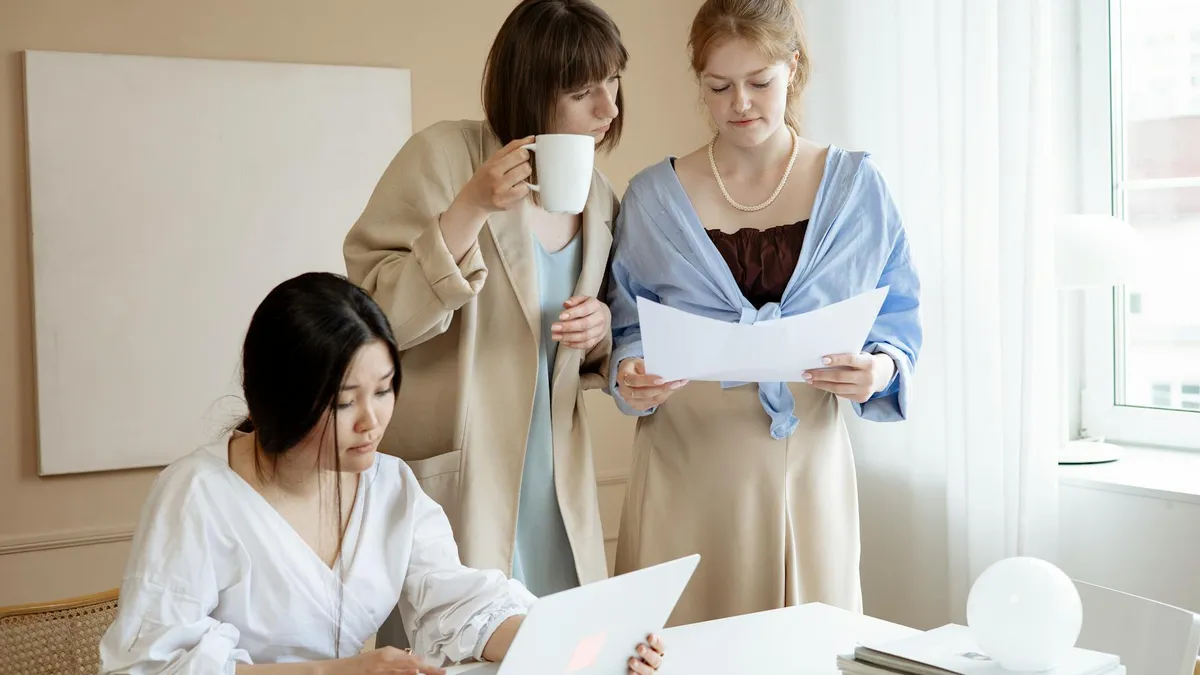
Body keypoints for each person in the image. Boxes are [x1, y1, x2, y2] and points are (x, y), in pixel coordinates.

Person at [97, 272, 666, 675]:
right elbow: (152, 666)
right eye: (345, 401)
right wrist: (335, 673)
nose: (373, 421)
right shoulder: (198, 495)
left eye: (385, 389)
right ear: (286, 396)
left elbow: (458, 605)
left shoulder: (389, 487)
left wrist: (595, 645)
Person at [605, 0, 922, 626]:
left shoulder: (858, 188)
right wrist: (630, 372)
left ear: (794, 70)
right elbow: (624, 325)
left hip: (810, 472)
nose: (739, 104)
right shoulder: (651, 196)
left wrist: (880, 371)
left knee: (807, 649)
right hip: (684, 474)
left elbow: (898, 315)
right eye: (718, 87)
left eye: (759, 83)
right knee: (678, 651)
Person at [342, 0, 624, 609]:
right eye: (583, 92)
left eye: (614, 81)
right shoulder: (443, 157)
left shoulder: (599, 198)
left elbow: (595, 336)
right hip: (465, 477)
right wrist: (469, 207)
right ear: (533, 90)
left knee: (562, 642)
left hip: (557, 480)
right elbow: (373, 317)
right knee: (461, 645)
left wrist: (599, 328)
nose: (609, 108)